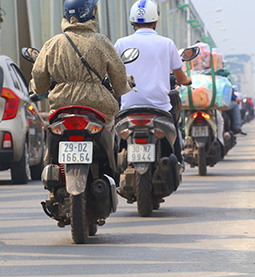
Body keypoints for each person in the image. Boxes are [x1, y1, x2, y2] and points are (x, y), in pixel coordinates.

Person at [29, 0, 131, 132]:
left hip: (61, 106)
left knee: (52, 140)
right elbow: (119, 75)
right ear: (91, 13)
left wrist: (37, 87)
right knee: (109, 130)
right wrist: (121, 88)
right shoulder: (101, 42)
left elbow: (39, 76)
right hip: (98, 106)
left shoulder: (53, 43)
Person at [114, 0, 191, 164]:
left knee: (115, 137)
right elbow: (180, 77)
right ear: (156, 21)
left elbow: (112, 71)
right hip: (159, 107)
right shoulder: (167, 43)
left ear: (132, 21)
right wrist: (187, 80)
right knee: (174, 129)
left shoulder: (121, 43)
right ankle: (178, 162)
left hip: (129, 107)